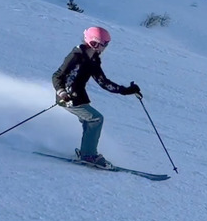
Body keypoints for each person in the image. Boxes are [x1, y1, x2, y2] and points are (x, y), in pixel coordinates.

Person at [52, 26, 141, 168]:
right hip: (68, 98)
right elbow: (57, 76)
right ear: (94, 43)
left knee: (91, 122)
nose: (105, 47)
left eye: (106, 44)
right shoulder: (76, 56)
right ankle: (88, 155)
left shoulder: (93, 59)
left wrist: (127, 90)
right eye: (104, 44)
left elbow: (103, 82)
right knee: (96, 119)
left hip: (79, 97)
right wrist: (62, 92)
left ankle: (86, 152)